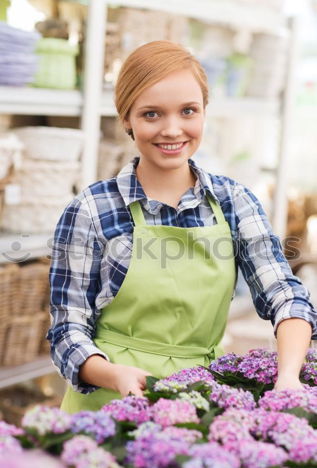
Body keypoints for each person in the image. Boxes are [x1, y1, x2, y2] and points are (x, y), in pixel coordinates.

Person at [48, 40, 317, 413]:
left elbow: (286, 297)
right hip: (105, 407)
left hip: (198, 405)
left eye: (188, 111)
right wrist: (114, 376)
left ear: (205, 112)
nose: (173, 130)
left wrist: (288, 377)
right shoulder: (91, 210)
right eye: (152, 114)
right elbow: (66, 331)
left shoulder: (234, 202)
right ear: (126, 118)